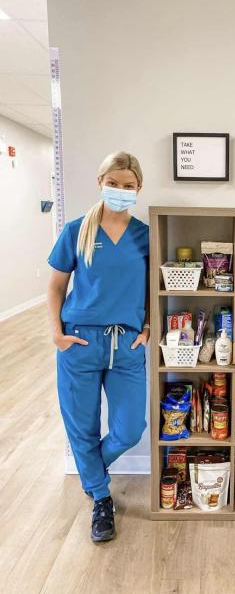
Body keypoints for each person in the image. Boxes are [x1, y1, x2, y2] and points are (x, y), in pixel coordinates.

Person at [47, 151, 149, 542]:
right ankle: (102, 500)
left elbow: (154, 290)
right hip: (80, 341)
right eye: (113, 183)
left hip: (126, 345)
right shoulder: (77, 231)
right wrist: (57, 333)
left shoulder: (145, 235)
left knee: (129, 428)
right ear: (100, 182)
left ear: (138, 188)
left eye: (128, 186)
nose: (120, 191)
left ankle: (92, 473)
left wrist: (149, 327)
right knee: (82, 427)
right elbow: (56, 286)